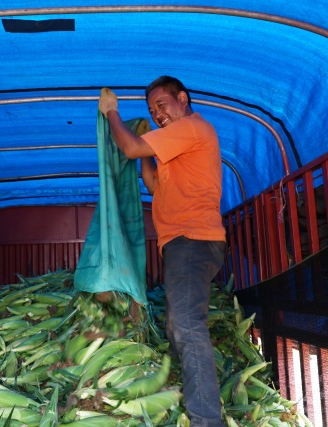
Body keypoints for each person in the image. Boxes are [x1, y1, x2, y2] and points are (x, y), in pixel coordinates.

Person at [98, 76, 227, 427]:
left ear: (182, 98)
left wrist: (111, 113)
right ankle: (186, 391)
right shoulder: (178, 144)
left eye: (161, 105)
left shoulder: (192, 128)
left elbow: (129, 148)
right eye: (151, 110)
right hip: (181, 243)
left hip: (192, 239)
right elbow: (155, 185)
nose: (157, 114)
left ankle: (206, 420)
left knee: (186, 325)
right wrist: (147, 154)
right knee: (176, 324)